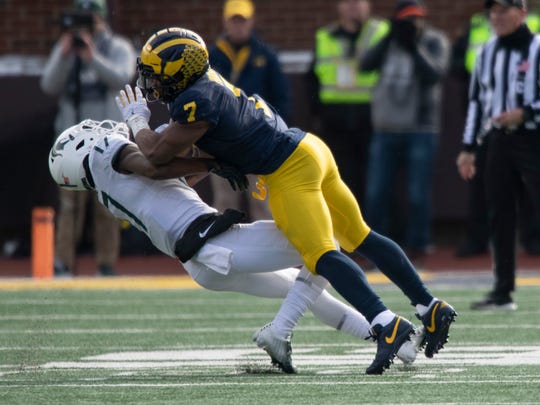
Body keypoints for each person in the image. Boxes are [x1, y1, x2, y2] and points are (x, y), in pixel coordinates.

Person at [117, 27, 457, 375]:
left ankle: (385, 323)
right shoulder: (204, 86)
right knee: (360, 236)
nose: (151, 82)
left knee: (322, 255)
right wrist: (216, 161)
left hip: (287, 171)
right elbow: (203, 147)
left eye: (155, 73)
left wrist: (136, 121)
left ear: (180, 70)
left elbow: (157, 155)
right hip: (308, 148)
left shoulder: (196, 99)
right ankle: (429, 305)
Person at [48, 118, 423, 373]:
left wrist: (212, 162)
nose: (99, 129)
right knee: (323, 246)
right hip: (219, 243)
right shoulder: (103, 155)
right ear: (81, 148)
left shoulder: (107, 193)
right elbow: (152, 165)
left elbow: (174, 179)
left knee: (311, 285)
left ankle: (398, 345)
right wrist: (141, 124)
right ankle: (279, 332)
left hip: (202, 264)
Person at [40, 0, 137, 276]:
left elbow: (122, 77)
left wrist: (92, 57)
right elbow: (48, 84)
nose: (85, 25)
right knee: (70, 207)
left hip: (107, 141)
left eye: (90, 18)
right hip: (72, 142)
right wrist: (64, 52)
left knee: (107, 205)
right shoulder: (67, 48)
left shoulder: (117, 46)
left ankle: (106, 264)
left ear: (101, 19)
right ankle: (63, 264)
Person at [456, 0, 540, 310]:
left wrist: (527, 112)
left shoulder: (537, 48)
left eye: (504, 10)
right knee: (500, 214)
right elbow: (477, 102)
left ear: (521, 13)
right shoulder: (486, 51)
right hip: (498, 142)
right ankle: (502, 291)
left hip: (534, 138)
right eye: (493, 11)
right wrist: (467, 149)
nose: (497, 16)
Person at [360, 0, 450, 264]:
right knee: (377, 191)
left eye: (417, 19)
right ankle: (376, 248)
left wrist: (414, 47)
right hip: (386, 126)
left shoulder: (435, 41)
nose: (413, 24)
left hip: (421, 127)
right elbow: (365, 65)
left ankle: (419, 246)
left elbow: (435, 73)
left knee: (417, 193)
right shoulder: (388, 41)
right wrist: (390, 37)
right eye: (407, 20)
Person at [207, 0, 290, 221]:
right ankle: (224, 253)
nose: (238, 26)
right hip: (223, 141)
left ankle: (266, 254)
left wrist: (275, 135)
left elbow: (281, 98)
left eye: (242, 20)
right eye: (234, 21)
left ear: (252, 21)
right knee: (225, 203)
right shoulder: (212, 57)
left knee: (262, 202)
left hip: (257, 141)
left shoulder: (266, 56)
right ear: (224, 22)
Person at [306, 0, 389, 205]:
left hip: (373, 118)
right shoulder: (325, 36)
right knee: (341, 179)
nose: (354, 6)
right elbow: (311, 79)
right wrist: (319, 113)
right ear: (339, 7)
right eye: (348, 2)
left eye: (359, 1)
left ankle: (374, 231)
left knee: (375, 179)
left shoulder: (382, 32)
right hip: (336, 121)